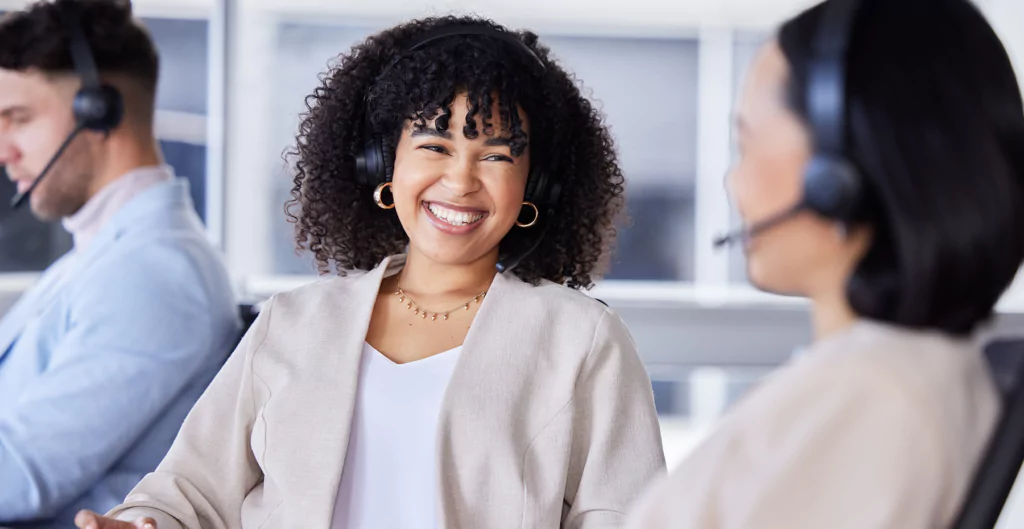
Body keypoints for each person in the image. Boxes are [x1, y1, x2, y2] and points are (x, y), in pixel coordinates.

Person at [77, 15, 666, 529]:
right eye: (434, 146)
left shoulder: (581, 340)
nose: (460, 181)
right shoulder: (294, 322)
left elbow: (631, 515)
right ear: (383, 165)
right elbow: (188, 494)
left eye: (495, 155)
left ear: (534, 185)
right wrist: (142, 524)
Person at [624, 0, 1024, 527]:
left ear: (835, 179)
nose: (733, 183)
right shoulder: (915, 376)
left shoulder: (868, 398)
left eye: (745, 143)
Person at [0, 1, 241, 527]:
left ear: (99, 108)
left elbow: (19, 476)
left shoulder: (156, 272)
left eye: (17, 119)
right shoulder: (98, 254)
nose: (3, 150)